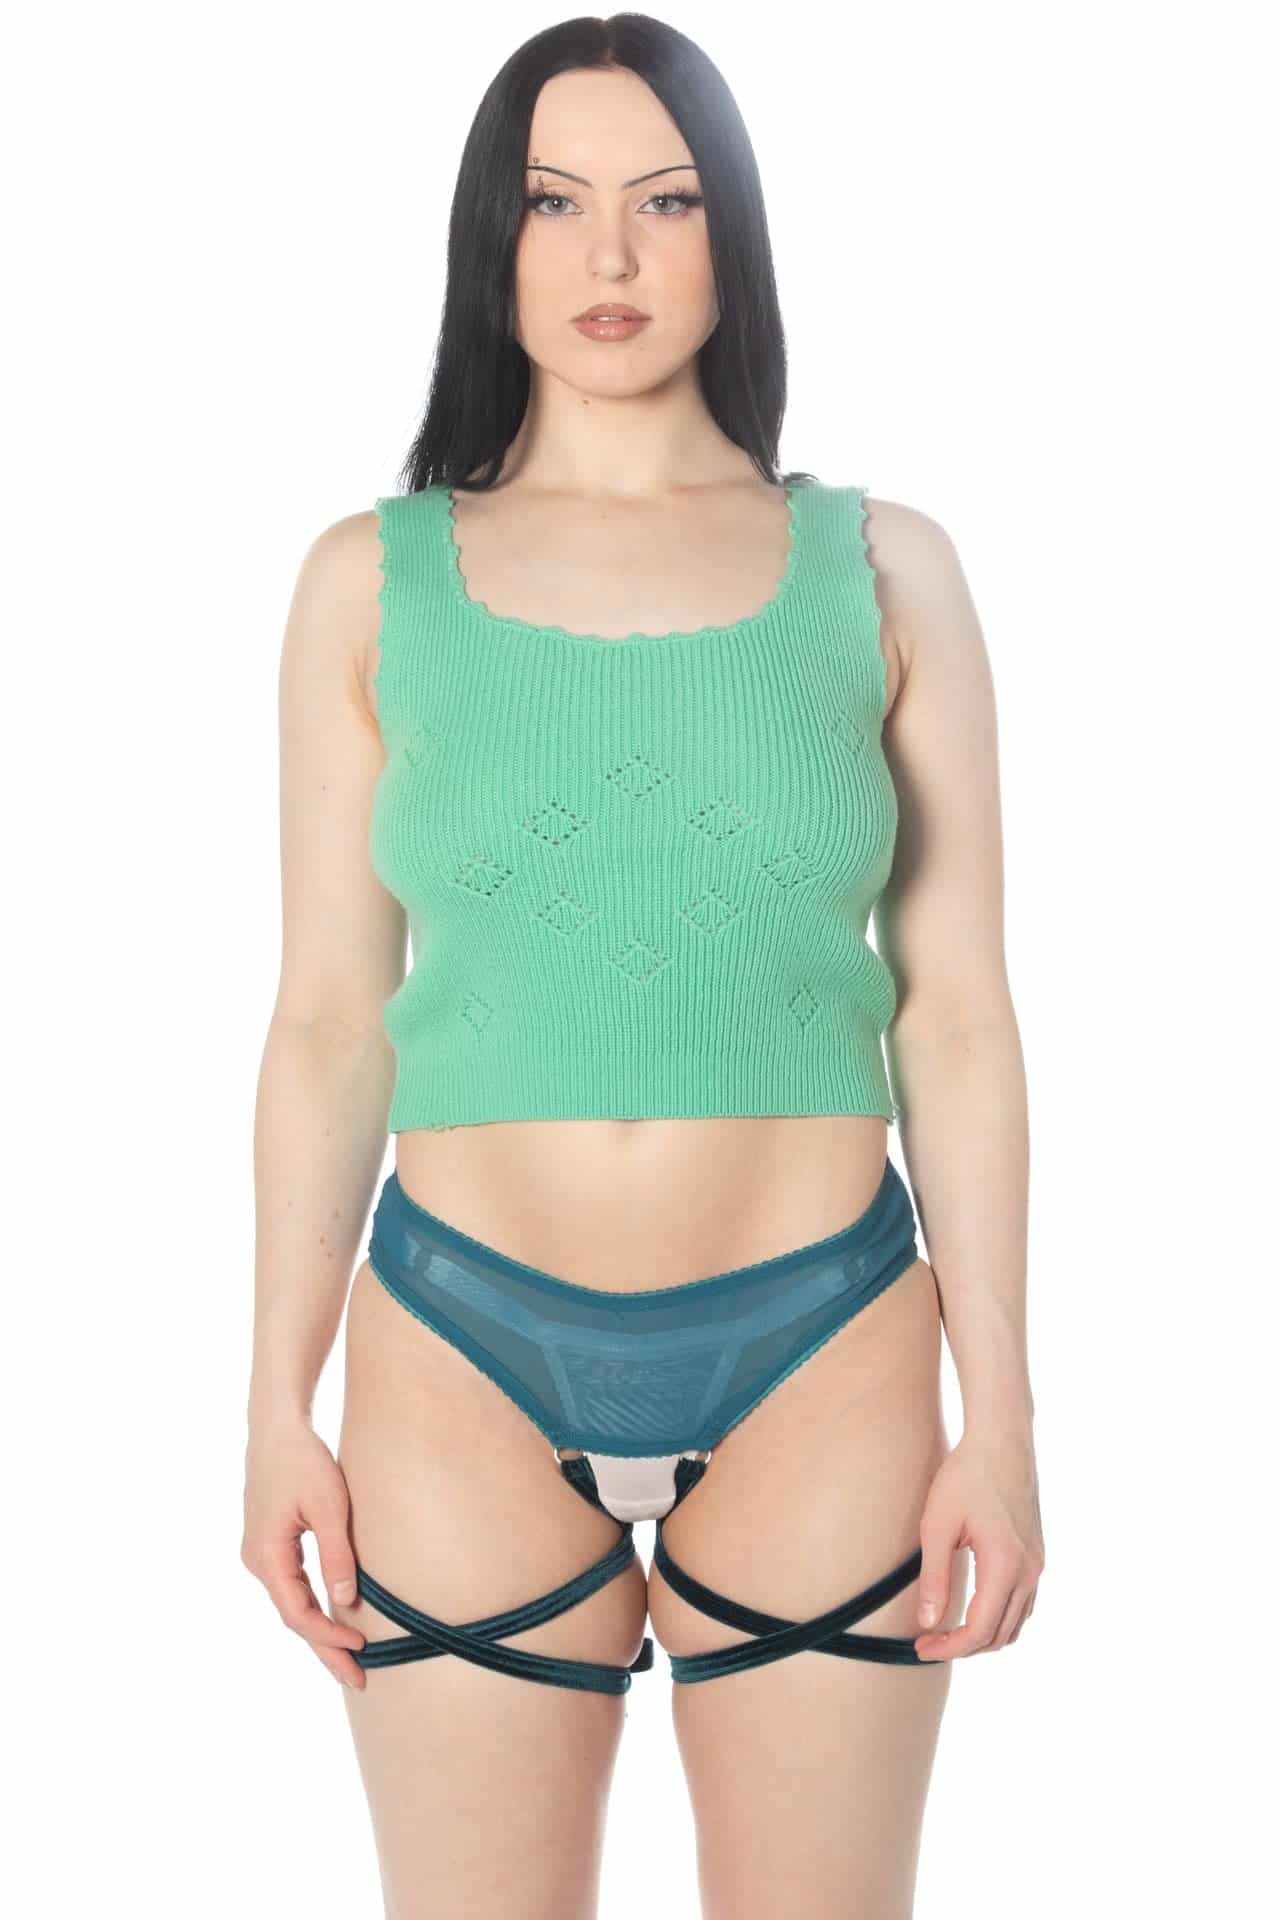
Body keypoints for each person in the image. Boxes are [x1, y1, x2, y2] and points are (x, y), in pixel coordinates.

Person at [242, 15, 1044, 1917]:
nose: (609, 256)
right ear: (492, 239)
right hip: (457, 1348)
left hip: (825, 1345)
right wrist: (275, 1400)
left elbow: (960, 1016)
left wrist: (1003, 1419)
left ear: (730, 237)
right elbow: (328, 1020)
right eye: (555, 203)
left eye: (666, 203)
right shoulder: (369, 580)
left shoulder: (885, 571)